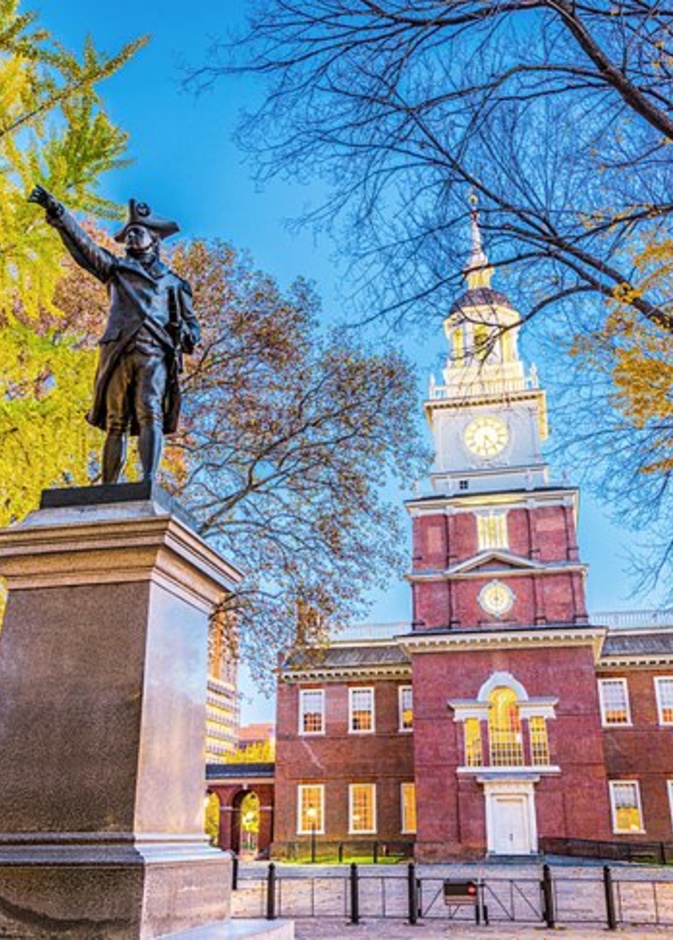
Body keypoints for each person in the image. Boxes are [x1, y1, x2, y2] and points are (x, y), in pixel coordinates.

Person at [28, 186, 200, 483]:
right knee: (115, 420)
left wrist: (188, 333)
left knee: (150, 412)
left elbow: (191, 326)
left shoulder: (175, 283)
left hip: (154, 353)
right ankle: (108, 487)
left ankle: (147, 480)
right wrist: (59, 213)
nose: (131, 237)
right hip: (118, 350)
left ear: (154, 239)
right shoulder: (116, 269)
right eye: (128, 233)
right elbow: (85, 248)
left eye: (138, 232)